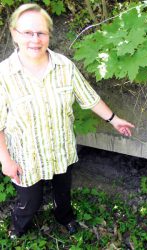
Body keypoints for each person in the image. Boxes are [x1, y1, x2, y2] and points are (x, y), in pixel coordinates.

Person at [0, 3, 134, 239]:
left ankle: (65, 217)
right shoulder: (4, 75)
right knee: (29, 202)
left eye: (41, 32)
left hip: (61, 150)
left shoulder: (64, 66)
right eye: (27, 32)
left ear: (49, 35)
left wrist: (114, 119)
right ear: (14, 34)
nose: (35, 39)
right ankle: (19, 227)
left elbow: (89, 98)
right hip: (25, 157)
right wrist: (6, 161)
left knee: (63, 195)